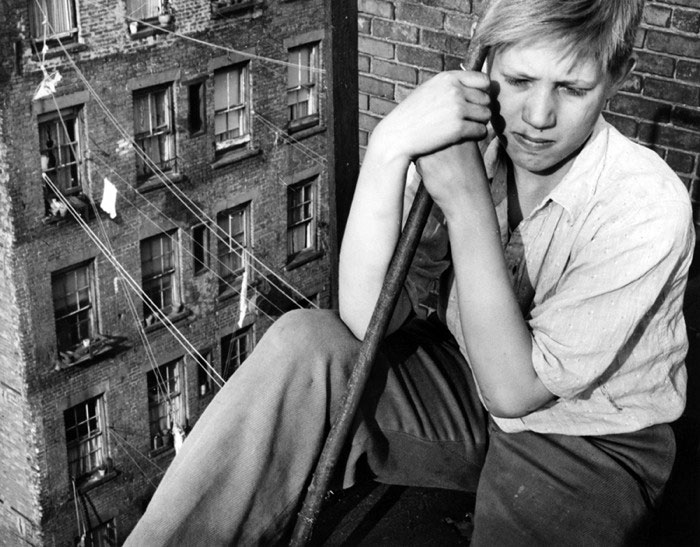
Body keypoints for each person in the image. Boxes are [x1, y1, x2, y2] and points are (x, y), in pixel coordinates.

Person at [126, 0, 694, 544]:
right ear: (484, 62)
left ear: (618, 75)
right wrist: (390, 147)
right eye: (519, 81)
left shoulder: (644, 204)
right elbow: (367, 318)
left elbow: (515, 392)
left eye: (572, 88)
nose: (539, 117)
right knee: (306, 342)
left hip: (586, 439)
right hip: (466, 386)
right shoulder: (477, 148)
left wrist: (465, 198)